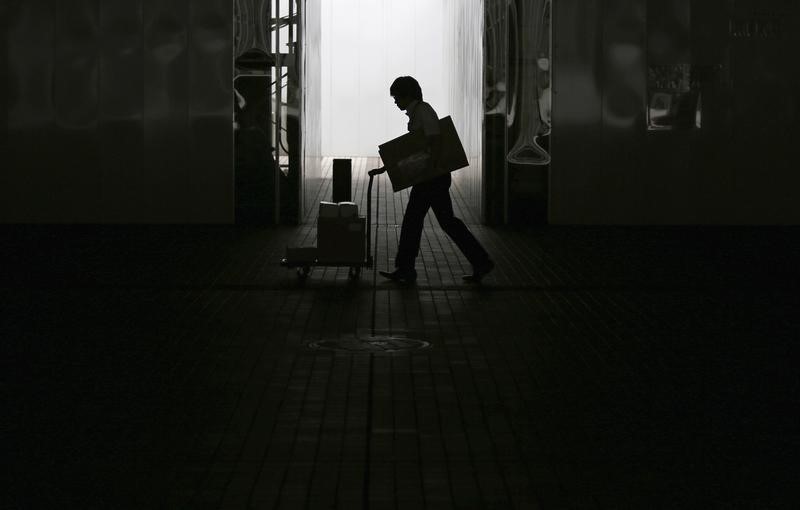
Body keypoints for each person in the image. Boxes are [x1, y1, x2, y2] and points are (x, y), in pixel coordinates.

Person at [370, 76, 494, 283]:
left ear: (407, 95)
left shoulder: (423, 112)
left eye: (396, 97)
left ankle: (406, 269)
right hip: (433, 177)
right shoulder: (419, 112)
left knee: (414, 220)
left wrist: (429, 169)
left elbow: (434, 141)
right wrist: (389, 167)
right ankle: (481, 261)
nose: (395, 102)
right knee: (445, 222)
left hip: (431, 179)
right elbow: (416, 148)